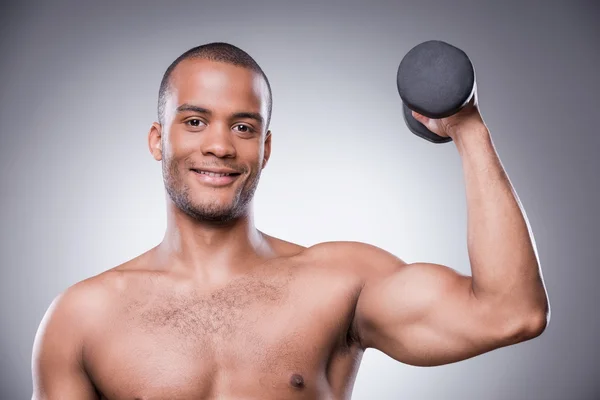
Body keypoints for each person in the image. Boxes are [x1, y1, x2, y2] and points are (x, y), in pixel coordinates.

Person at [31, 42, 550, 400]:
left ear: (266, 147)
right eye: (194, 122)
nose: (218, 145)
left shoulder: (337, 282)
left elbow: (511, 312)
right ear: (157, 139)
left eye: (243, 126)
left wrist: (466, 127)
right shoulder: (82, 317)